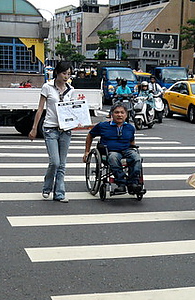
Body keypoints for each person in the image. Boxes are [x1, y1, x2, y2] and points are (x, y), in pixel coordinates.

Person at [29, 61, 75, 202]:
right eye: (64, 73)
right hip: (50, 128)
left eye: (68, 74)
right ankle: (47, 187)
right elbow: (40, 108)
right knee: (54, 162)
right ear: (57, 72)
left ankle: (59, 193)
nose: (66, 76)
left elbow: (72, 110)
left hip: (65, 130)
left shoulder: (71, 90)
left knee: (62, 163)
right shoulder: (47, 87)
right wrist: (34, 127)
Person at [83, 103, 142, 194]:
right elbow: (90, 135)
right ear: (111, 114)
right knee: (113, 157)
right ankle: (121, 183)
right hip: (110, 152)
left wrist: (133, 149)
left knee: (137, 157)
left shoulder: (130, 127)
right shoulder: (103, 126)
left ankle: (133, 183)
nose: (119, 115)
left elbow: (132, 141)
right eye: (116, 112)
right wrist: (87, 152)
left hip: (126, 150)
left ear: (126, 115)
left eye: (122, 113)